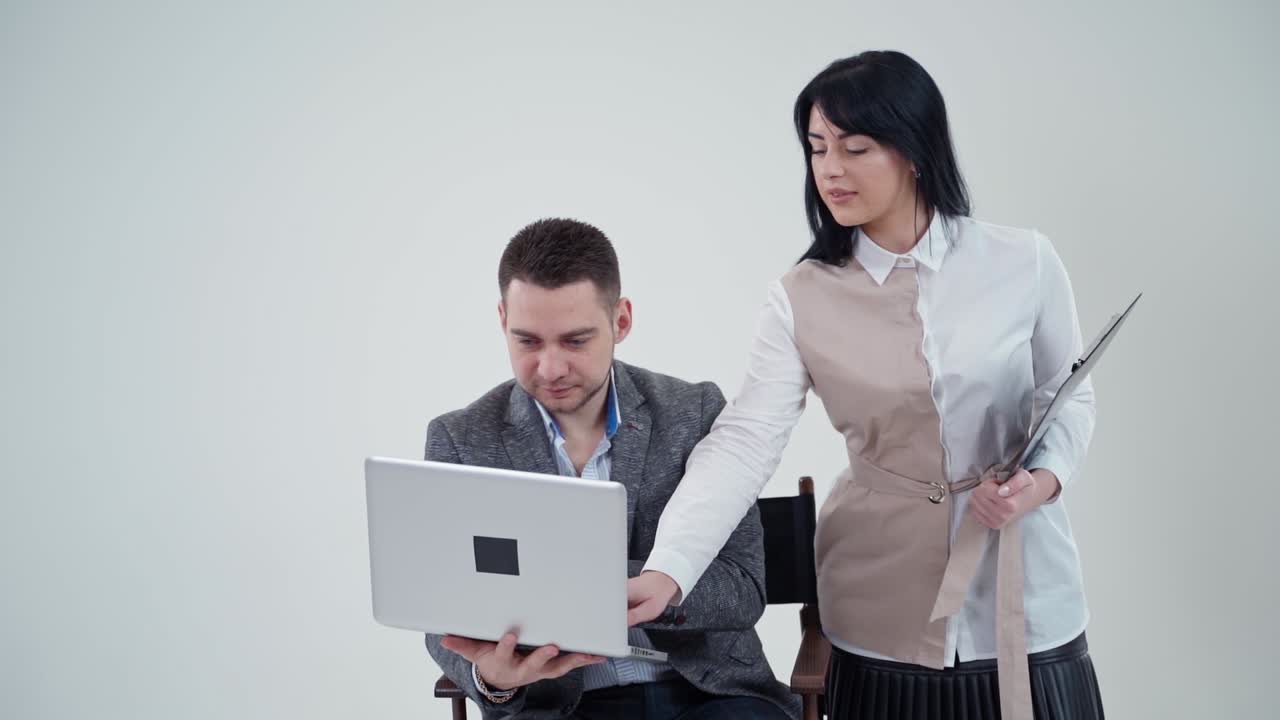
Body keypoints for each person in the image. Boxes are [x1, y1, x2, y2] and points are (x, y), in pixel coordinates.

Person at [627, 51, 1106, 720]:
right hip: (877, 609)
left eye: (854, 148)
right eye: (817, 148)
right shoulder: (799, 297)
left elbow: (1067, 394)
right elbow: (744, 441)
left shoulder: (1024, 260)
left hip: (1026, 596)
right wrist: (669, 568)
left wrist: (1044, 480)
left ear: (914, 151)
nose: (830, 169)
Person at [423, 218, 799, 720]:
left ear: (621, 321)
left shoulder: (694, 412)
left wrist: (620, 591)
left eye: (576, 341)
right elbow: (443, 610)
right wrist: (492, 682)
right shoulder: (462, 439)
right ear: (501, 319)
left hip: (708, 694)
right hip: (557, 707)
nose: (551, 368)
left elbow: (742, 588)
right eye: (528, 341)